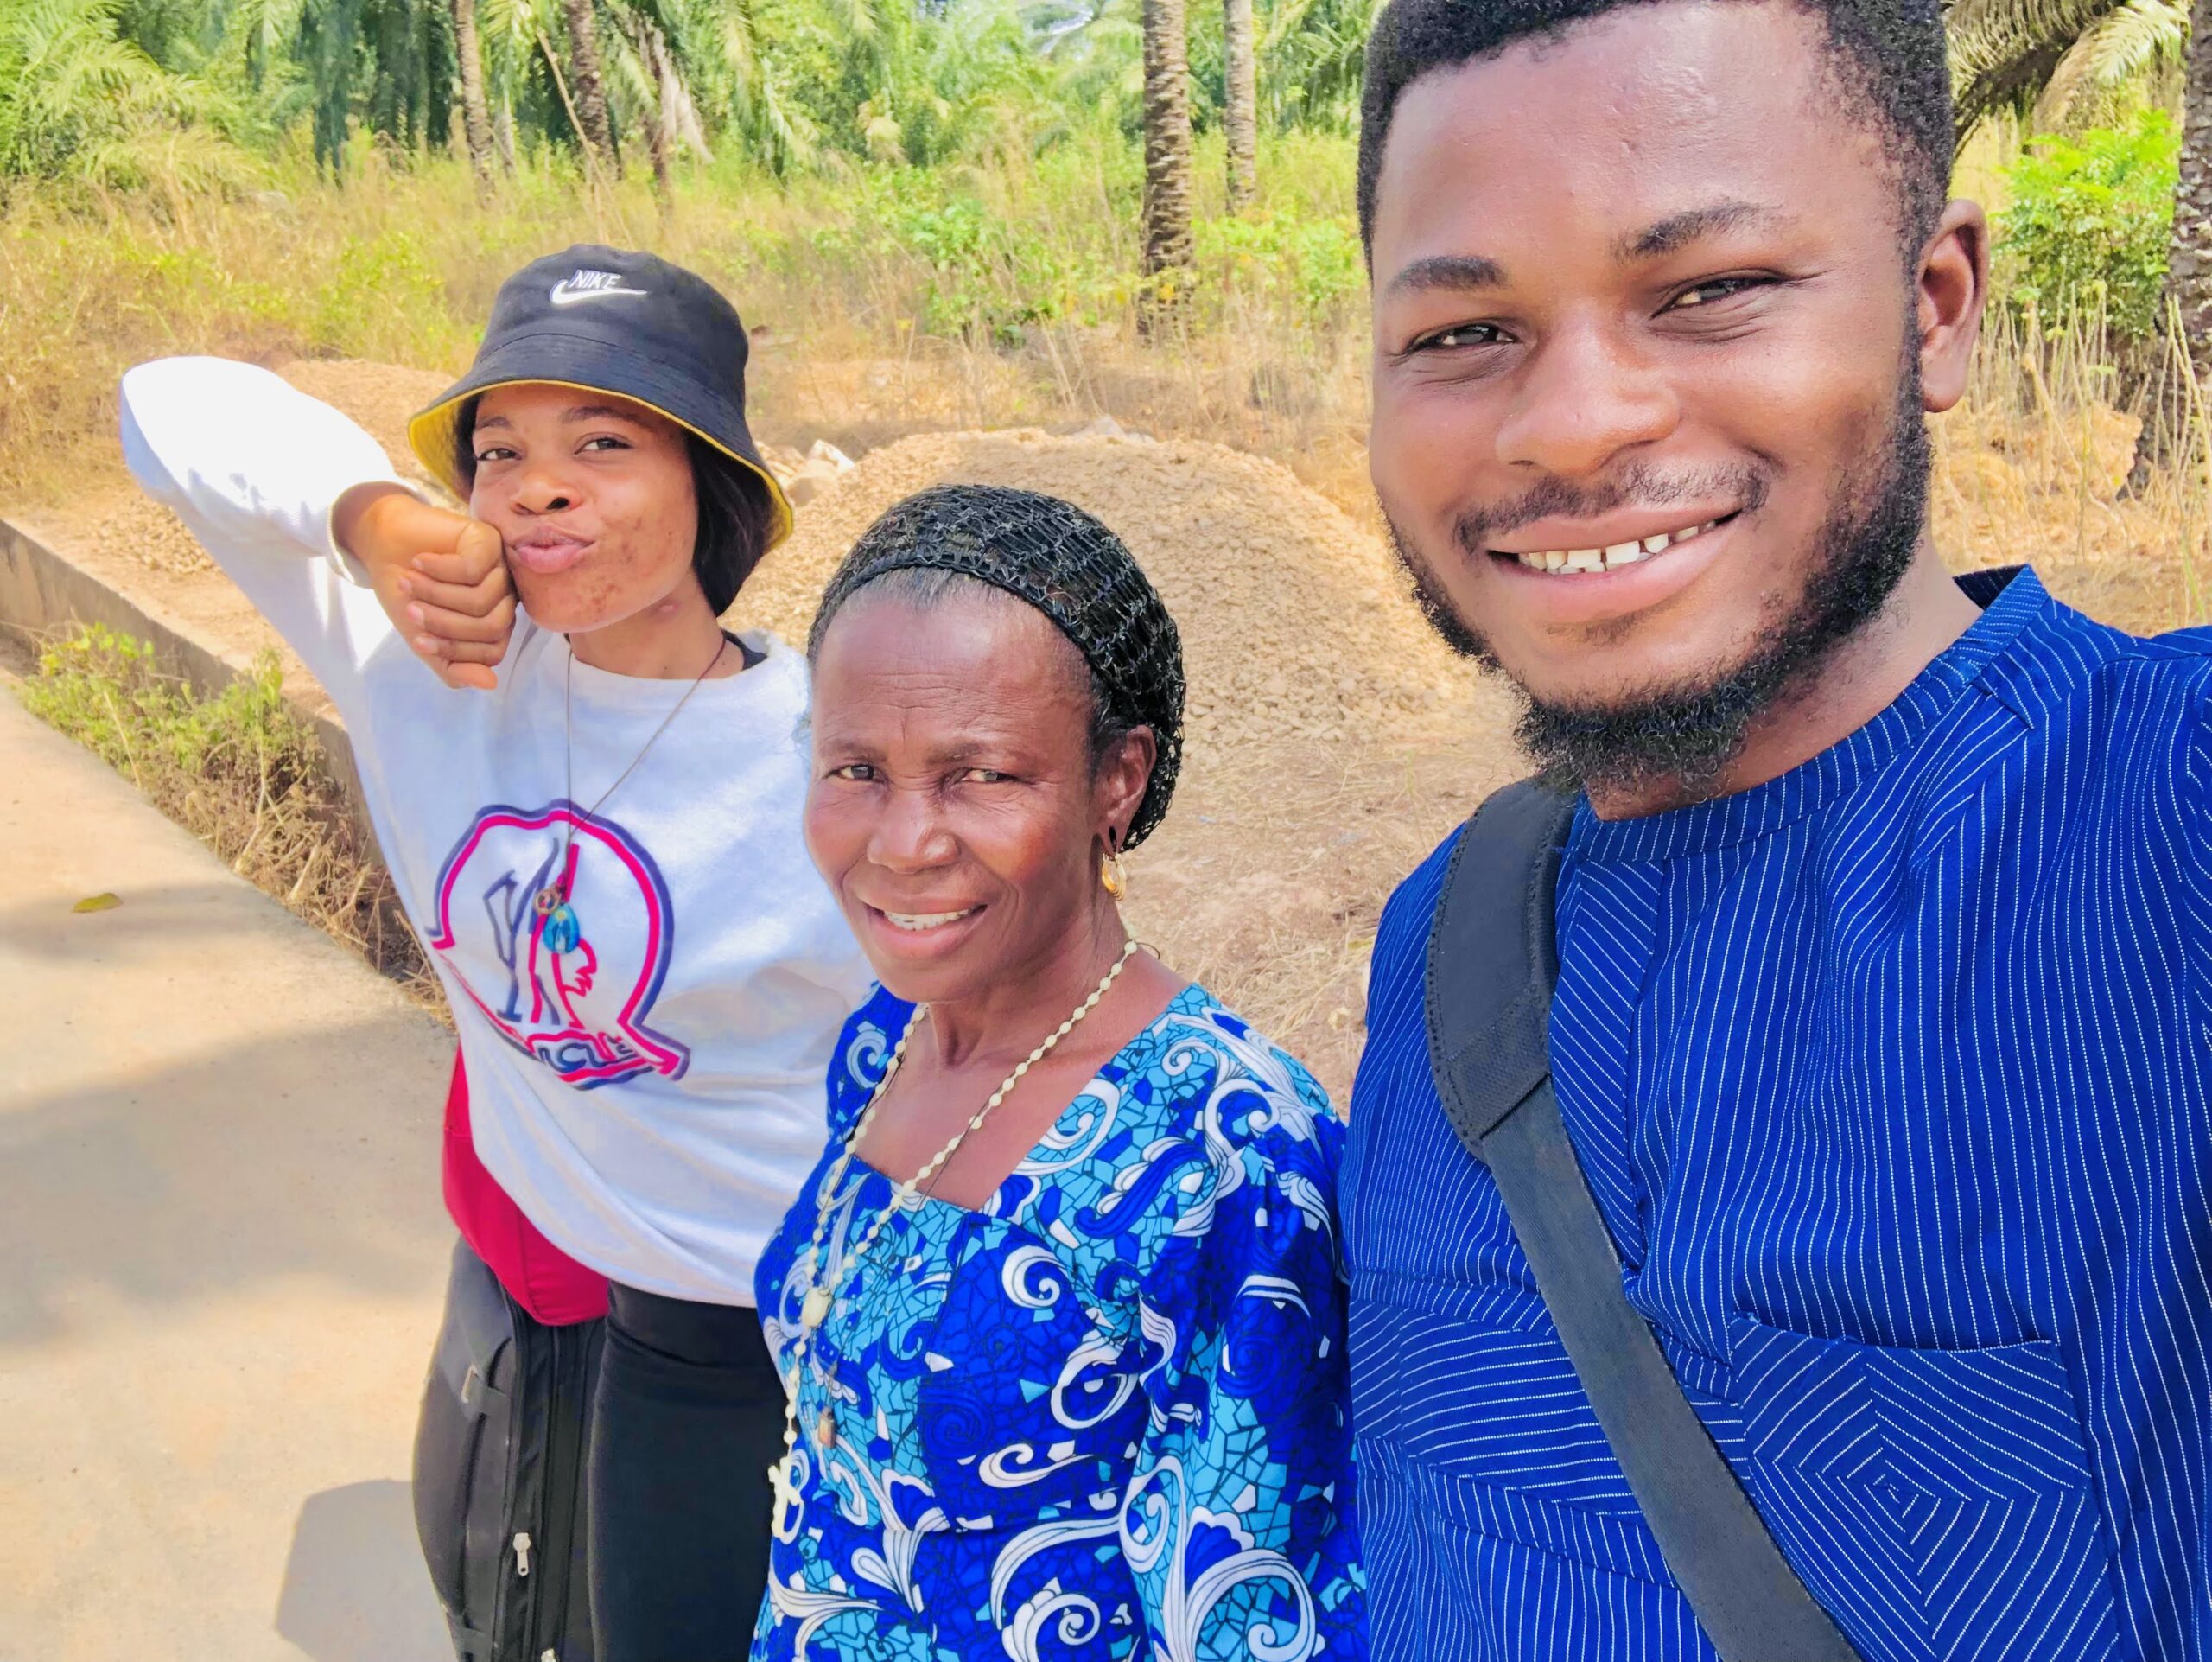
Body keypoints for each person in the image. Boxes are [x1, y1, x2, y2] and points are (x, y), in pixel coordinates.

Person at [1345, 0, 2212, 1657]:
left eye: (1710, 291)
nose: (1571, 423)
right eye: (1467, 331)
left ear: (1936, 306)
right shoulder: (1442, 940)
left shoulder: (2167, 821)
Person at [118, 244, 871, 1659]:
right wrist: (369, 519)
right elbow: (164, 404)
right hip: (546, 1287)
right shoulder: (422, 670)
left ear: (709, 481)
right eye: (498, 450)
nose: (538, 486)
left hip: (772, 1332)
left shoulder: (825, 760)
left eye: (605, 442)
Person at [751, 485, 1367, 1659]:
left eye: (980, 775)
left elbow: (1250, 1616)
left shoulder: (1222, 1156)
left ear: (1116, 779)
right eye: (855, 769)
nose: (903, 841)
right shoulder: (888, 1039)